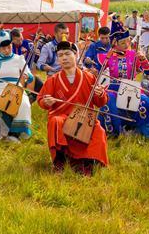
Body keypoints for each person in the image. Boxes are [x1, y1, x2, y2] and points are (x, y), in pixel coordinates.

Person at [37, 41, 109, 175]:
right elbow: (41, 100)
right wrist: (47, 102)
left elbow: (100, 103)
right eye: (60, 55)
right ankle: (60, 161)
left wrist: (101, 94)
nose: (63, 58)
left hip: (83, 118)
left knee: (98, 129)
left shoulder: (89, 77)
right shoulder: (52, 80)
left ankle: (87, 162)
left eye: (67, 54)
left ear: (75, 55)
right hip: (62, 117)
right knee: (55, 122)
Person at [97, 30, 149, 138]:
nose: (127, 45)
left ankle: (147, 132)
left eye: (128, 41)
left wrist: (143, 59)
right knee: (108, 101)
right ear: (115, 44)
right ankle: (113, 132)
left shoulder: (133, 55)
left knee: (146, 102)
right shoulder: (107, 56)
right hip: (113, 88)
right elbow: (97, 71)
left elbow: (148, 72)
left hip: (131, 87)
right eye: (122, 43)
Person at [0, 31, 33, 145]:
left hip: (15, 87)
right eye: (3, 48)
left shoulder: (19, 58)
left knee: (24, 104)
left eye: (9, 47)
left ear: (12, 45)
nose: (6, 50)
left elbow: (29, 76)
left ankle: (14, 134)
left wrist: (27, 76)